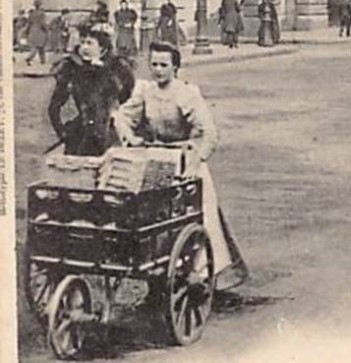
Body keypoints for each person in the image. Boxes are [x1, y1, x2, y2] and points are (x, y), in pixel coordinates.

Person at [114, 41, 247, 287]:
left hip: (186, 160)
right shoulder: (145, 91)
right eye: (154, 64)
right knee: (153, 218)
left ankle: (203, 273)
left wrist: (195, 159)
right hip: (155, 160)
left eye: (164, 65)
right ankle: (158, 268)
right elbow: (123, 116)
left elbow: (208, 132)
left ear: (175, 67)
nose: (158, 70)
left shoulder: (187, 93)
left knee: (200, 215)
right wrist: (131, 138)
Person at [48, 26, 135, 155]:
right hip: (79, 136)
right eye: (82, 42)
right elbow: (54, 106)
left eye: (90, 43)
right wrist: (63, 132)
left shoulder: (117, 67)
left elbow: (128, 98)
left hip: (109, 134)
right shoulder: (71, 68)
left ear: (102, 47)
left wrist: (118, 120)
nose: (84, 47)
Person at [26, 0, 48, 66]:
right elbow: (43, 23)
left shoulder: (31, 13)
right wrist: (46, 30)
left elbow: (29, 23)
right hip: (40, 31)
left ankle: (42, 60)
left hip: (32, 31)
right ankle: (30, 58)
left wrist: (27, 31)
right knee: (41, 47)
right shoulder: (42, 14)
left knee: (35, 46)